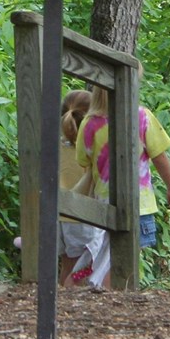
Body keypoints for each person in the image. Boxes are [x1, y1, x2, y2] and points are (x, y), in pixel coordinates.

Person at [74, 84, 170, 287]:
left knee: (104, 250)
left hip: (103, 201)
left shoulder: (89, 123)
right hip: (138, 202)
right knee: (126, 255)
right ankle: (107, 291)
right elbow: (159, 155)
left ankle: (89, 284)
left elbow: (84, 161)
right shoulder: (141, 116)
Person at [58, 88, 109, 288]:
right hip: (84, 217)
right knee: (87, 269)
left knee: (67, 266)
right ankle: (79, 304)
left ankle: (62, 302)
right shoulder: (91, 150)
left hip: (59, 216)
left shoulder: (56, 145)